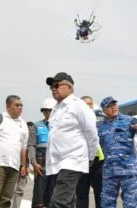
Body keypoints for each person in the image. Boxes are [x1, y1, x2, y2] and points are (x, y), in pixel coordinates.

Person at [45, 72, 99, 208]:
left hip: (72, 161)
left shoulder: (78, 105)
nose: (54, 89)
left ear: (69, 87)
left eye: (57, 85)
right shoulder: (56, 109)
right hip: (57, 163)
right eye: (52, 87)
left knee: (58, 202)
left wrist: (90, 157)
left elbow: (92, 133)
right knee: (67, 202)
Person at [98, 96, 137, 208]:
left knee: (132, 204)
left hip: (128, 172)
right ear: (104, 111)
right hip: (110, 172)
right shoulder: (100, 126)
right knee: (107, 204)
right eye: (109, 106)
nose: (113, 108)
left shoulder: (129, 120)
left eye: (114, 105)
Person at [25, 98, 56, 208]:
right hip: (40, 165)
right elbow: (31, 145)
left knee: (54, 194)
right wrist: (34, 162)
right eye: (45, 111)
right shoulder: (36, 126)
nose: (48, 113)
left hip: (56, 165)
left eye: (50, 110)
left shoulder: (61, 126)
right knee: (40, 196)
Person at [76, 96, 104, 208]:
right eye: (85, 104)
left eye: (90, 104)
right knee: (82, 194)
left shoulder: (101, 120)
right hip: (82, 161)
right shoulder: (76, 120)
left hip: (99, 162)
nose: (88, 106)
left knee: (100, 194)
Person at [11, 121, 36, 208]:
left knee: (20, 190)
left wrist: (27, 166)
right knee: (9, 189)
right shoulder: (18, 137)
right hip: (15, 165)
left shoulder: (32, 139)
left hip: (23, 166)